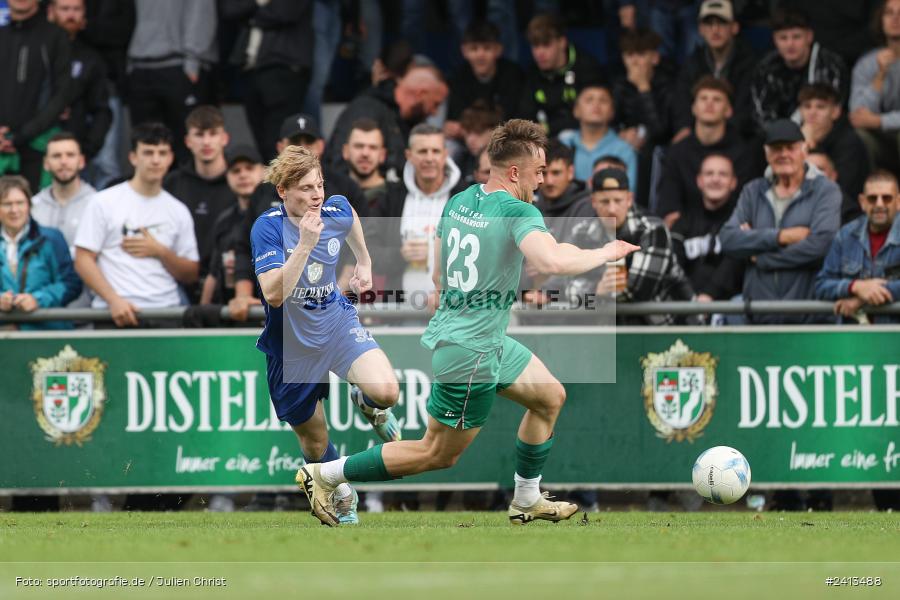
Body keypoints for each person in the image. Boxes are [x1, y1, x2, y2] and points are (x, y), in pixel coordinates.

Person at [296, 119, 639, 527]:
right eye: (539, 171)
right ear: (515, 172)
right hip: (472, 351)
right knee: (436, 452)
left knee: (550, 397)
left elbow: (437, 276)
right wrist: (605, 252)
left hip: (481, 339)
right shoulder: (518, 210)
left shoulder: (460, 200)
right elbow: (551, 260)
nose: (543, 180)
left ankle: (526, 499)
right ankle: (324, 474)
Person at [250, 145, 403, 525]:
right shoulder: (267, 228)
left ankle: (367, 401)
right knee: (315, 442)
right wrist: (304, 244)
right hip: (292, 345)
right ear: (283, 191)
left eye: (319, 185)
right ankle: (342, 494)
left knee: (387, 391)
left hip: (335, 323)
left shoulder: (332, 209)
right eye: (306, 188)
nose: (317, 195)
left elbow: (348, 211)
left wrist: (364, 261)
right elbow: (273, 294)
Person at [73, 123, 199, 328]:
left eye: (162, 153)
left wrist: (160, 251)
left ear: (170, 158)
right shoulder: (103, 201)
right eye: (148, 152)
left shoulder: (178, 210)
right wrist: (113, 300)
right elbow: (82, 259)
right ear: (133, 157)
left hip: (166, 312)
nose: (155, 160)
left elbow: (191, 273)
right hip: (113, 314)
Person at [719, 119, 841, 325]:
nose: (783, 154)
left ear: (804, 150)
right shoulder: (753, 191)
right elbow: (728, 239)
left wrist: (761, 257)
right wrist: (781, 237)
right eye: (776, 148)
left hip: (811, 317)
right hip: (759, 317)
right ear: (766, 154)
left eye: (790, 148)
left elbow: (822, 245)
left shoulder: (825, 190)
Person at [567, 168, 695, 325]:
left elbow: (637, 292)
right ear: (593, 201)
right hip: (610, 328)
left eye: (618, 200)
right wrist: (598, 289)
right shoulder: (582, 232)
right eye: (605, 202)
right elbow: (569, 290)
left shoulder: (652, 229)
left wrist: (595, 293)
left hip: (667, 326)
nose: (612, 209)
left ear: (629, 199)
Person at [372, 124, 465, 298]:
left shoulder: (466, 198)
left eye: (435, 151)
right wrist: (399, 255)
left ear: (445, 154)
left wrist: (435, 255)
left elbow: (481, 254)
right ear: (409, 155)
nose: (429, 158)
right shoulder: (391, 198)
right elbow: (370, 254)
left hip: (454, 308)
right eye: (422, 151)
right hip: (399, 309)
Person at [657, 76, 761, 228]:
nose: (709, 103)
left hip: (730, 232)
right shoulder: (677, 152)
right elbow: (668, 206)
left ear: (728, 110)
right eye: (703, 98)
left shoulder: (744, 154)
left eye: (717, 99)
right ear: (693, 108)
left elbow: (746, 206)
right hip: (686, 234)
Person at [221, 0, 313, 162]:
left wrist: (250, 17)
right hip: (251, 71)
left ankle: (279, 178)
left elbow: (285, 13)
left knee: (277, 143)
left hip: (283, 70)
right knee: (262, 143)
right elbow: (230, 9)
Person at [127, 0, 216, 164]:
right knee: (146, 144)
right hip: (140, 64)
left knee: (186, 144)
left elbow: (201, 12)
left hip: (178, 64)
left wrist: (193, 60)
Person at [325, 66, 449, 177]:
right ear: (421, 94)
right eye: (436, 104)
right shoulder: (366, 109)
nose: (435, 112)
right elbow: (340, 166)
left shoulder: (410, 121)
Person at [0, 0, 72, 191]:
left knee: (35, 205)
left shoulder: (55, 37)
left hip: (38, 145)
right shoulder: (2, 35)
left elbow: (62, 94)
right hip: (1, 143)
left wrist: (23, 135)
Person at [816, 170, 900, 323]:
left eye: (886, 198)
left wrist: (862, 299)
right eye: (872, 198)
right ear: (862, 202)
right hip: (853, 334)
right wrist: (855, 287)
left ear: (898, 202)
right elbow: (822, 286)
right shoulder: (845, 236)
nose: (879, 204)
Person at [163, 106, 235, 283]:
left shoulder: (241, 181)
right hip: (178, 280)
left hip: (228, 281)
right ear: (188, 141)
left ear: (224, 138)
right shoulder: (172, 183)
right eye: (199, 135)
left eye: (213, 134)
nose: (206, 142)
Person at [0, 175, 81, 330]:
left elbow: (71, 283)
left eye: (20, 203)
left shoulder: (51, 239)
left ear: (29, 205)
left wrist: (38, 299)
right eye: (7, 204)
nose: (14, 210)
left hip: (47, 332)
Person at [750, 8, 848, 130]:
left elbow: (832, 111)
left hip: (823, 132)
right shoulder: (766, 68)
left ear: (809, 36)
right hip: (779, 135)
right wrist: (783, 135)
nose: (790, 44)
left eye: (796, 37)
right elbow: (761, 115)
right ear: (774, 39)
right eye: (783, 38)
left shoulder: (830, 66)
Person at [674, 0, 757, 139]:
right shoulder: (692, 63)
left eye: (722, 23)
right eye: (709, 23)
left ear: (735, 27)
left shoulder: (750, 64)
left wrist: (718, 136)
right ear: (700, 29)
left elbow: (745, 111)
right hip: (697, 136)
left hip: (738, 137)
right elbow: (682, 105)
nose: (715, 30)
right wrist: (685, 128)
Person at [525, 141, 594, 305]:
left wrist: (546, 289)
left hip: (574, 306)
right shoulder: (530, 207)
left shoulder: (588, 207)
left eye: (556, 173)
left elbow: (577, 259)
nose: (549, 181)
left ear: (570, 172)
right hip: (529, 301)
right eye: (543, 173)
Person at [30, 132, 95, 308]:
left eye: (70, 155)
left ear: (81, 161)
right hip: (39, 309)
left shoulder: (99, 204)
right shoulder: (32, 207)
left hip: (88, 310)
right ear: (46, 163)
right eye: (57, 156)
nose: (64, 161)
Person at [199, 144, 265, 319]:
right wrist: (201, 314)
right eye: (235, 171)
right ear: (227, 177)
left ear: (264, 172)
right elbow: (213, 273)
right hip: (233, 312)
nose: (243, 175)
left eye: (249, 168)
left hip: (268, 310)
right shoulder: (224, 221)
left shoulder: (277, 214)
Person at [670, 154, 744, 302]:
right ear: (699, 181)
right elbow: (673, 264)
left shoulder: (743, 220)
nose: (715, 179)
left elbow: (735, 263)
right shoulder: (683, 222)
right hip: (686, 304)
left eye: (723, 174)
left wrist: (709, 294)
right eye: (709, 173)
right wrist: (691, 298)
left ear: (733, 182)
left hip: (730, 306)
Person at [47, 0, 112, 165]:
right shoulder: (36, 50)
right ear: (51, 12)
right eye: (65, 9)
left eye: (77, 9)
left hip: (75, 148)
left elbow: (101, 110)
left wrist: (87, 149)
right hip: (30, 146)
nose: (71, 15)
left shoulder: (91, 58)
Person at [519, 13, 606, 135]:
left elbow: (593, 113)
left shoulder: (587, 67)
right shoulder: (532, 71)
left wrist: (548, 128)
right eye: (535, 46)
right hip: (543, 139)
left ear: (562, 42)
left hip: (583, 136)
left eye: (546, 45)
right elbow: (525, 113)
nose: (540, 53)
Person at [444, 20, 523, 140]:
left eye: (487, 48)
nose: (480, 55)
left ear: (498, 50)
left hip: (505, 139)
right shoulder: (458, 78)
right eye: (474, 49)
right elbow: (455, 121)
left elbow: (515, 119)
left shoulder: (513, 75)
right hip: (467, 138)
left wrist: (488, 134)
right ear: (464, 51)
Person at [849, 0, 900, 173]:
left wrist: (879, 121)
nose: (895, 18)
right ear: (881, 20)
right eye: (889, 13)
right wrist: (880, 75)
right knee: (858, 136)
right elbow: (857, 114)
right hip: (882, 140)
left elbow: (870, 119)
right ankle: (873, 188)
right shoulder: (868, 63)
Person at [799, 83, 869, 198]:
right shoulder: (794, 138)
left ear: (835, 112)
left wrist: (811, 146)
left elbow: (843, 188)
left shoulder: (849, 143)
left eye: (820, 107)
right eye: (807, 106)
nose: (812, 113)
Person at [558, 85, 637, 188]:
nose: (596, 105)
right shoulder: (564, 143)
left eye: (603, 100)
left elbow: (628, 191)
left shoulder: (624, 150)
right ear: (576, 110)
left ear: (612, 111)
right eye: (589, 100)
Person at [806, 150, 863, 224]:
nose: (813, 173)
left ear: (833, 175)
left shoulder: (848, 212)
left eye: (820, 169)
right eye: (807, 169)